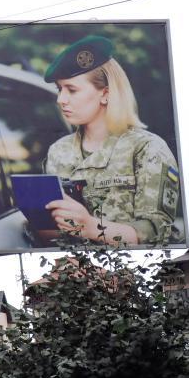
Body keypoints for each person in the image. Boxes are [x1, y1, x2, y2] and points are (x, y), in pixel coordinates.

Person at [42, 35, 180, 246]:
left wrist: (90, 227)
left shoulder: (147, 148)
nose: (61, 99)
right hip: (72, 266)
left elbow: (157, 233)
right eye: (59, 89)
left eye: (72, 90)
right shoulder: (58, 152)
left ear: (105, 94)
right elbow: (53, 236)